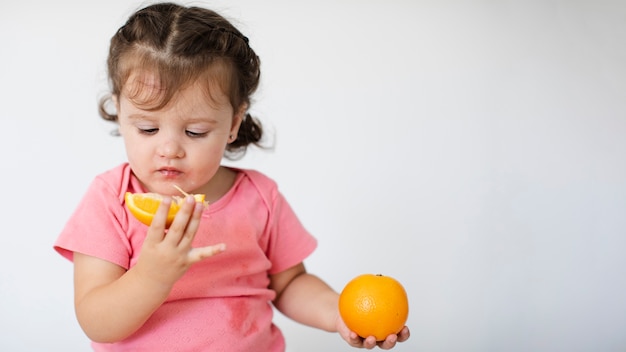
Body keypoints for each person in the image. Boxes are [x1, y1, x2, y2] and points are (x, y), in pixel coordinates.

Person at [54, 2, 410, 351]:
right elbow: (96, 320)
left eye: (194, 132)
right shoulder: (110, 199)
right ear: (119, 113)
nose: (169, 149)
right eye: (148, 128)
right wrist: (152, 277)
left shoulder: (260, 196)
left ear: (233, 124)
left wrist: (339, 315)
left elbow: (290, 284)